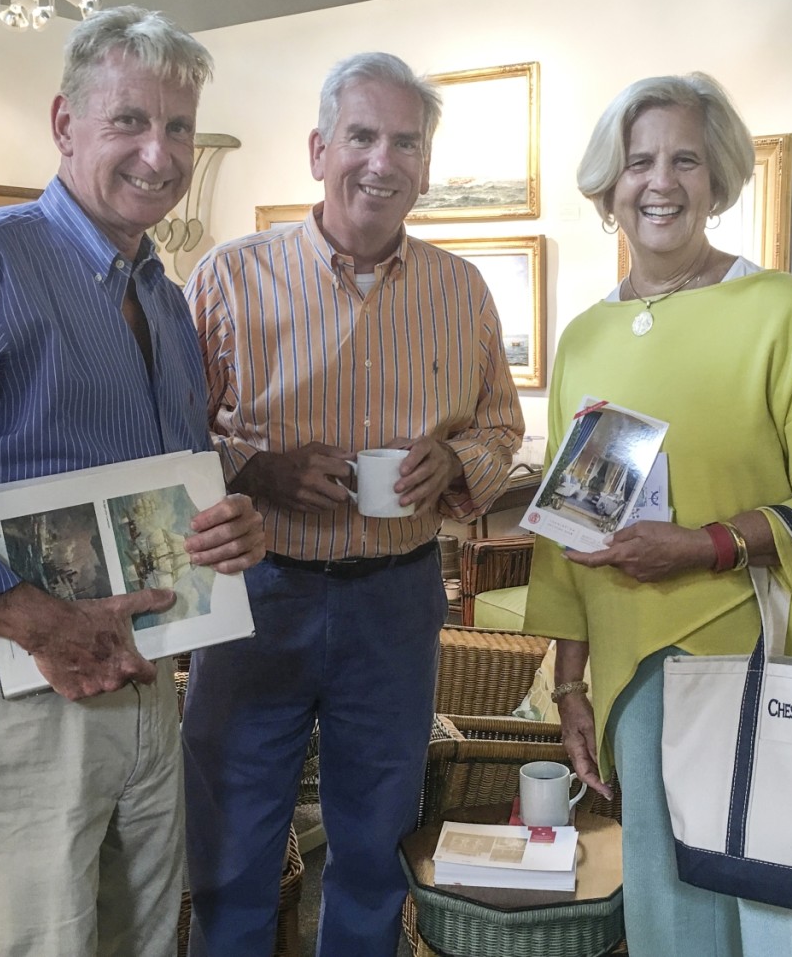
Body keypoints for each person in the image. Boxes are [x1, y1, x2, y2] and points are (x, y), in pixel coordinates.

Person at [0, 7, 265, 957]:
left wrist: (228, 524)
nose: (159, 154)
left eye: (177, 127)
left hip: (146, 685)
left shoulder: (165, 298)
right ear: (64, 124)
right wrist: (41, 621)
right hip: (17, 697)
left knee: (141, 941)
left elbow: (168, 487)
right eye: (130, 121)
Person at [523, 72, 792, 957]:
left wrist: (709, 544)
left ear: (717, 179)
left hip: (771, 664)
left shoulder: (777, 311)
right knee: (670, 904)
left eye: (685, 159)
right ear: (609, 184)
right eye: (639, 160)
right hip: (634, 679)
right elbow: (569, 528)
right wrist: (569, 682)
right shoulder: (582, 338)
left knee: (786, 914)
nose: (660, 181)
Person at [181, 51, 525, 957]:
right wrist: (254, 470)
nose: (382, 159)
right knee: (234, 842)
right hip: (257, 597)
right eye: (362, 135)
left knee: (376, 844)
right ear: (318, 148)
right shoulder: (227, 279)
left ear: (424, 163)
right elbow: (167, 440)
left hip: (399, 596)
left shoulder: (463, 290)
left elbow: (501, 429)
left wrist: (454, 459)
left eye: (404, 141)